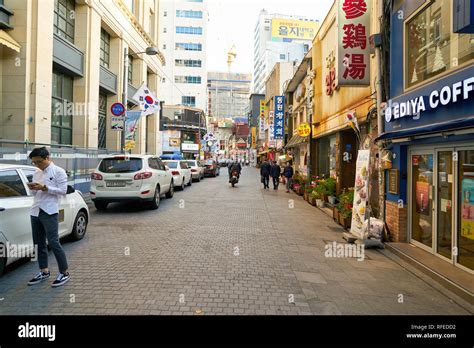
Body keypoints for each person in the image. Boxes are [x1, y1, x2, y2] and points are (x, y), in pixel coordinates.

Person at [27, 147, 70, 287]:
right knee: (38, 243)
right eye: (34, 162)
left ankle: (64, 272)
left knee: (53, 242)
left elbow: (63, 191)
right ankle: (44, 271)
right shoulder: (36, 172)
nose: (37, 165)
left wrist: (45, 188)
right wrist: (33, 189)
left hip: (50, 211)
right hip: (36, 210)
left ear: (47, 157)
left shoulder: (59, 171)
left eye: (38, 162)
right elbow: (35, 194)